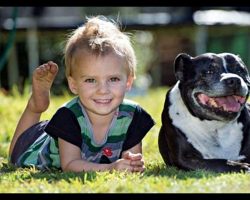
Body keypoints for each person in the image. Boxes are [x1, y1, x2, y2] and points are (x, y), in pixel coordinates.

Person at [8, 16, 155, 173]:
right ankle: (36, 106)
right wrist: (110, 168)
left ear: (128, 82)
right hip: (37, 145)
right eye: (91, 80)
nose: (103, 90)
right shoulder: (68, 116)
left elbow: (130, 158)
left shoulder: (133, 116)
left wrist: (130, 163)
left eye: (113, 79)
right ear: (73, 84)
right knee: (15, 154)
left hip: (62, 132)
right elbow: (70, 165)